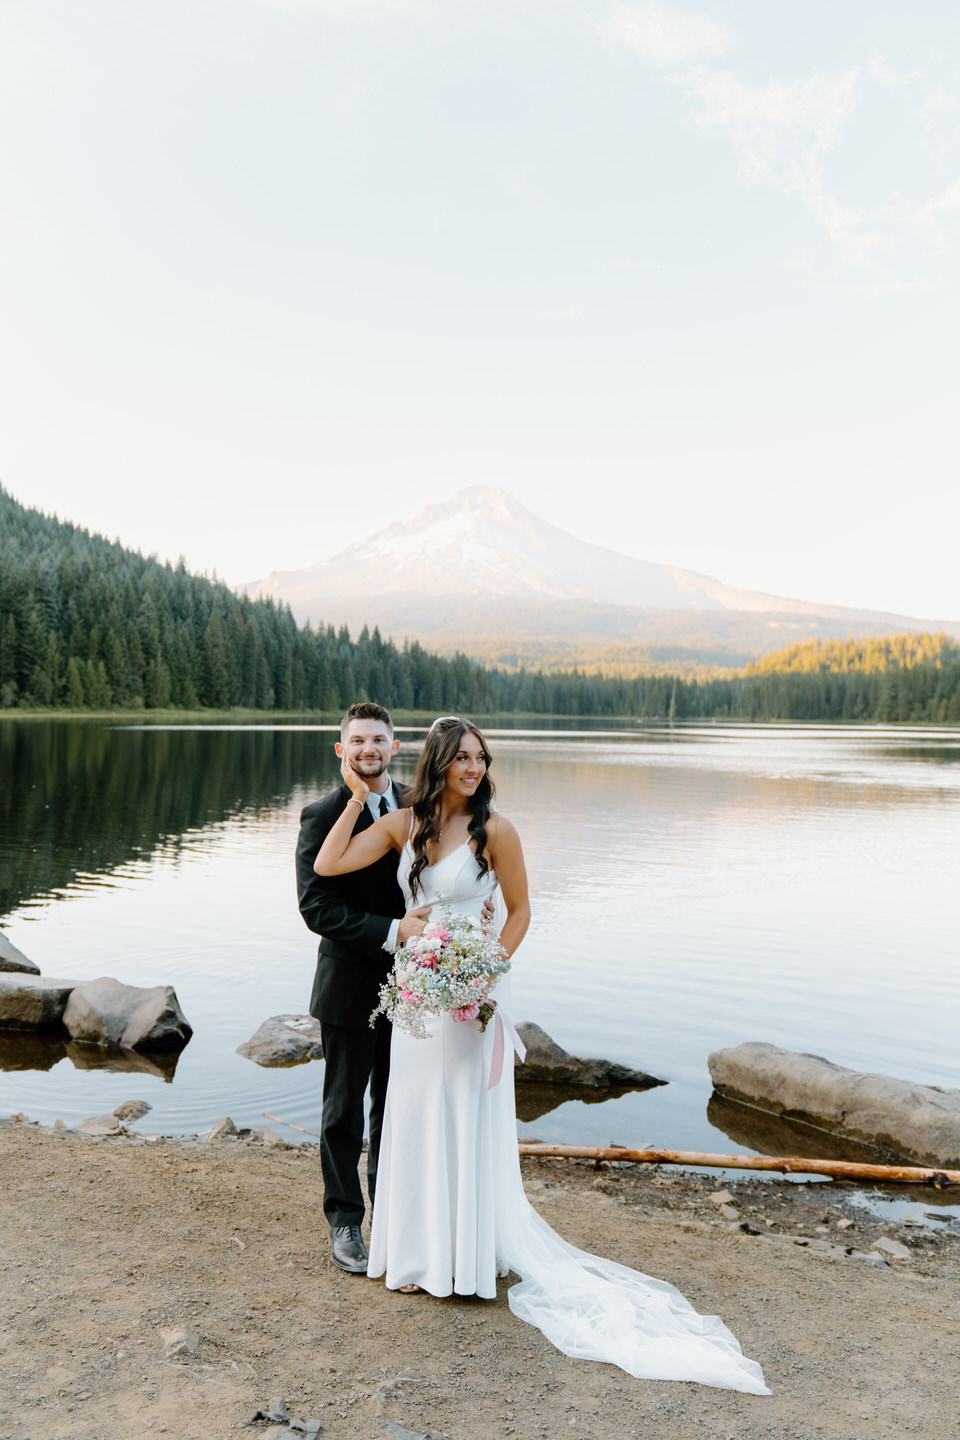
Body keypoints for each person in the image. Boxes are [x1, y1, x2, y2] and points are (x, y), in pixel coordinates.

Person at [315, 716, 769, 1393]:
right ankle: (415, 1257)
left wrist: (485, 972)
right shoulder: (405, 822)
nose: (474, 768)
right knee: (412, 1118)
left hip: (468, 998)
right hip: (416, 1001)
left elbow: (522, 910)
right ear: (439, 762)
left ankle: (464, 1263)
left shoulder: (497, 831)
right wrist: (356, 795)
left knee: (464, 1118)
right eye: (462, 758)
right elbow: (327, 866)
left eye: (481, 758)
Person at [295, 702, 427, 1275]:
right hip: (349, 985)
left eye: (378, 739)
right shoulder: (320, 814)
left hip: (418, 990)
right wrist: (394, 930)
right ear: (341, 749)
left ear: (395, 747)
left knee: (398, 1108)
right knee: (343, 1112)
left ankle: (393, 1217)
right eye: (358, 741)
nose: (368, 749)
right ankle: (345, 1221)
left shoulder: (421, 809)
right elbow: (316, 907)